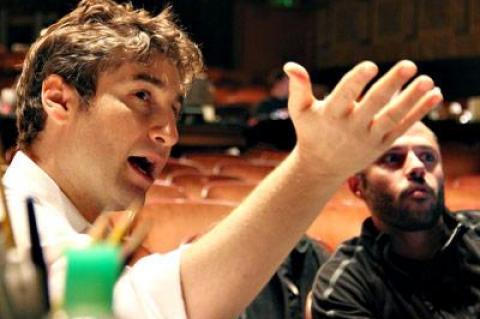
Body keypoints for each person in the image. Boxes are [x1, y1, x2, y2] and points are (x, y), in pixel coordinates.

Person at [3, 0, 442, 317]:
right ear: (59, 100)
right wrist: (316, 167)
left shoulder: (67, 227)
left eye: (176, 112)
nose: (169, 133)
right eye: (142, 96)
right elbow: (154, 304)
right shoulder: (11, 222)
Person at [311, 122, 480, 319]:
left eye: (427, 157)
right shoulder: (344, 284)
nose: (417, 167)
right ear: (358, 185)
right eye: (393, 158)